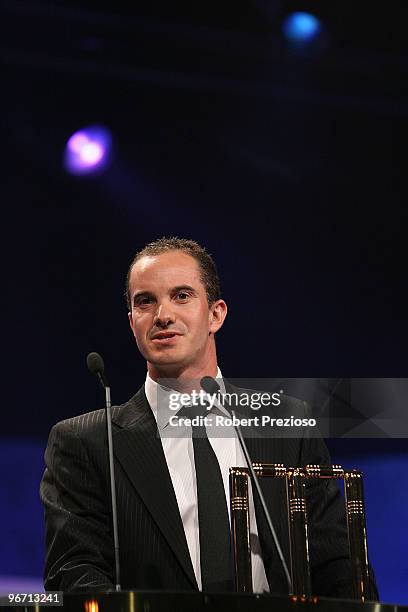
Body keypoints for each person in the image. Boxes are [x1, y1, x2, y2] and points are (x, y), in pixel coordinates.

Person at [40, 237, 378, 597]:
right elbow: (75, 574)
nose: (163, 315)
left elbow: (338, 564)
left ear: (216, 314)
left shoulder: (286, 422)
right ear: (132, 322)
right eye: (145, 302)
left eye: (181, 296)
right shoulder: (85, 442)